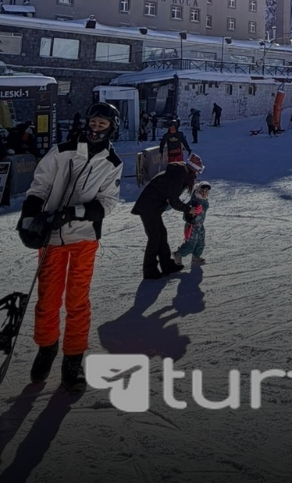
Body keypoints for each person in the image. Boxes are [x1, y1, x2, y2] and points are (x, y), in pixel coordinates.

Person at [17, 102, 123, 391]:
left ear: (111, 127)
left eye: (102, 124)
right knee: (47, 300)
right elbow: (39, 186)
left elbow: (108, 202)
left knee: (77, 301)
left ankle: (72, 359)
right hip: (51, 237)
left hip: (83, 238)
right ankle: (47, 349)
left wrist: (74, 213)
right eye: (93, 122)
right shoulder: (62, 151)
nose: (95, 128)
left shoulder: (112, 162)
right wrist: (28, 217)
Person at [131, 161, 197, 279]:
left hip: (152, 206)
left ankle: (167, 265)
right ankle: (149, 270)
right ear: (192, 171)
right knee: (155, 237)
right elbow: (174, 200)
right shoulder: (178, 175)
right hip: (149, 206)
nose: (196, 177)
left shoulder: (179, 173)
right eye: (196, 173)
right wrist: (188, 210)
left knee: (161, 234)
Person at [173, 180, 211, 266]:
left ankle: (196, 257)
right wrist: (190, 217)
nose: (204, 194)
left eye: (206, 192)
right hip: (192, 226)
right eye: (202, 191)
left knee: (200, 242)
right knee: (190, 244)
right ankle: (178, 254)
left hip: (200, 226)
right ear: (198, 191)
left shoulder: (204, 201)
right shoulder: (194, 201)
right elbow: (185, 214)